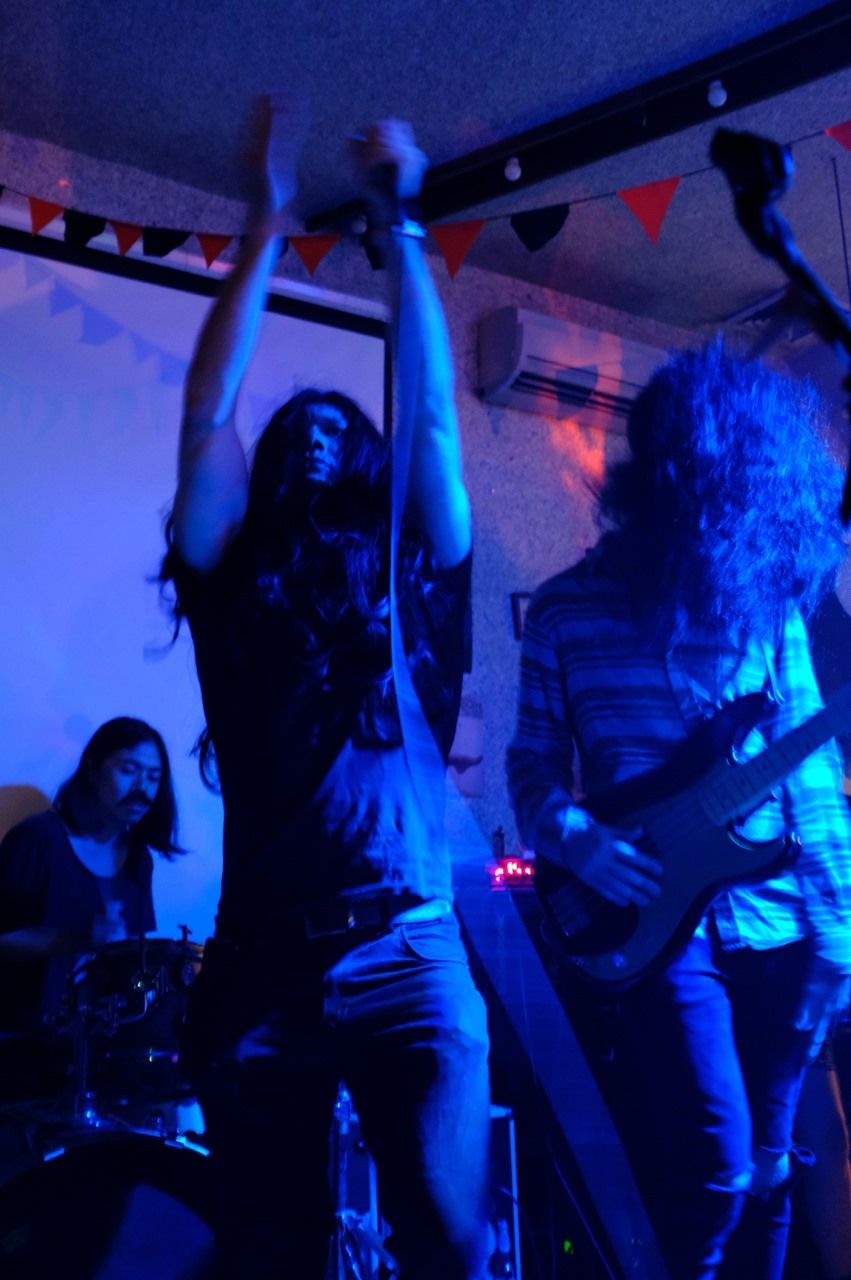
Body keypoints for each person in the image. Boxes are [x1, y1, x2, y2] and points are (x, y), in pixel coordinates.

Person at [162, 100, 490, 1280]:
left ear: (363, 466)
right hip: (261, 961)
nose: (308, 425)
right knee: (271, 1253)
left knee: (447, 1246)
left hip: (407, 949)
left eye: (333, 421)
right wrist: (266, 219)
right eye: (291, 421)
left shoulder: (413, 582)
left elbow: (434, 421)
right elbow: (208, 414)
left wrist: (401, 227)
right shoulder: (228, 580)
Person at [506, 342, 851, 1280]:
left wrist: (837, 931)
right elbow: (530, 761)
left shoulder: (765, 607)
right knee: (715, 1169)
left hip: (776, 917)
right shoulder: (564, 610)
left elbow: (809, 775)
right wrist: (572, 837)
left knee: (771, 1171)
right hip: (656, 923)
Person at [0, 717, 181, 1093]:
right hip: (22, 1047)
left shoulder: (138, 859)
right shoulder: (40, 838)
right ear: (92, 768)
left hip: (94, 1051)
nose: (142, 789)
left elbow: (132, 963)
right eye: (128, 770)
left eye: (153, 777)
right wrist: (75, 938)